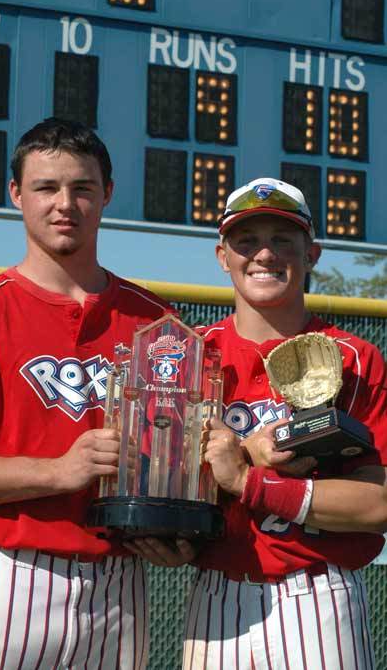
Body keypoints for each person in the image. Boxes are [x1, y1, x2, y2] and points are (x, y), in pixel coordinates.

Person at [0, 118, 174, 669]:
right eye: (46, 187)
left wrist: (179, 531)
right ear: (16, 194)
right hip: (8, 574)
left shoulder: (156, 322)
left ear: (107, 194)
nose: (65, 204)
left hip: (119, 581)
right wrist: (55, 472)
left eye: (82, 188)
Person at [181, 177, 387, 669]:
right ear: (222, 256)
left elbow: (379, 503)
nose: (264, 255)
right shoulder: (188, 354)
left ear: (311, 254)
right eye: (246, 241)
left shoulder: (355, 360)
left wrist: (250, 482)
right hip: (216, 592)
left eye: (282, 240)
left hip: (319, 593)